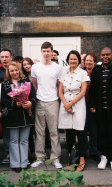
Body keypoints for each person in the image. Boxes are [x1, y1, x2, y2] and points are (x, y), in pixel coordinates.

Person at [89, 47, 112, 171]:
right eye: (103, 55)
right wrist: (92, 105)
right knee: (102, 135)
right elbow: (92, 90)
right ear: (100, 56)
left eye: (108, 55)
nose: (105, 57)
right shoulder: (96, 70)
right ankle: (104, 157)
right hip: (100, 109)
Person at [31, 41, 63, 169]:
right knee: (39, 131)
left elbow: (58, 85)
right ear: (41, 52)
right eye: (44, 51)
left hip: (53, 101)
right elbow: (34, 84)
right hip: (39, 101)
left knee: (53, 131)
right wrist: (39, 95)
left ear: (52, 52)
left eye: (48, 51)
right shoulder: (35, 67)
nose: (46, 53)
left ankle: (55, 158)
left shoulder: (57, 67)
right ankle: (40, 156)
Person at [1, 61, 36, 173]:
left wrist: (30, 103)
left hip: (26, 114)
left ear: (19, 70)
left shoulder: (26, 82)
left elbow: (33, 96)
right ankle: (15, 164)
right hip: (12, 116)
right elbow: (3, 100)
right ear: (8, 72)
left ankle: (24, 162)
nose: (15, 72)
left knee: (24, 140)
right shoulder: (5, 84)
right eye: (12, 71)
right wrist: (14, 104)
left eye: (16, 70)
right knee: (14, 140)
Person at [58, 50, 89, 171]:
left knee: (80, 133)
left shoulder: (83, 73)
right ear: (68, 60)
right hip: (65, 104)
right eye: (71, 59)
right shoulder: (64, 73)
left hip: (78, 105)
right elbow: (60, 91)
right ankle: (72, 159)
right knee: (69, 134)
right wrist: (66, 104)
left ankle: (81, 159)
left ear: (79, 60)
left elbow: (83, 91)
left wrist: (71, 103)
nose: (73, 61)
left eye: (75, 59)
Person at [0, 49, 13, 164]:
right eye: (2, 57)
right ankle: (8, 153)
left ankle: (19, 153)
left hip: (17, 105)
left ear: (11, 57)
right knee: (6, 131)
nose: (4, 59)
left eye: (6, 57)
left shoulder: (16, 69)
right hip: (3, 106)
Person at [84, 52, 100, 161]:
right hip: (82, 105)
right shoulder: (80, 72)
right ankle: (84, 152)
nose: (89, 62)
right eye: (87, 60)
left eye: (91, 60)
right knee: (83, 130)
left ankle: (94, 151)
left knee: (94, 131)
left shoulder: (98, 72)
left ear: (94, 62)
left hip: (94, 105)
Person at [21, 57, 35, 158]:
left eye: (28, 64)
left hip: (38, 102)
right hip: (28, 105)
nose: (26, 66)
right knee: (29, 130)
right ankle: (31, 150)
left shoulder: (37, 75)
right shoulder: (23, 79)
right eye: (24, 64)